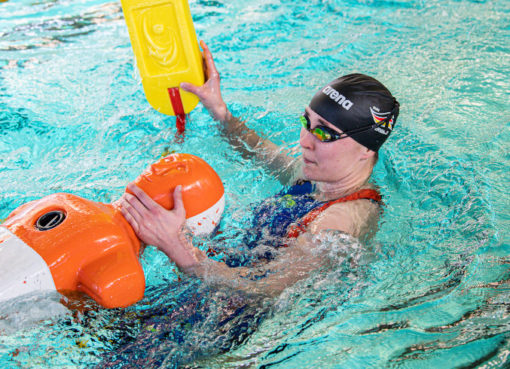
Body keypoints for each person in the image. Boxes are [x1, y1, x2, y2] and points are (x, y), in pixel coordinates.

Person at [119, 41, 400, 297]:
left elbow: (264, 289)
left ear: (366, 149)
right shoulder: (318, 176)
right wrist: (220, 111)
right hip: (209, 282)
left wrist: (177, 248)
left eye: (325, 134)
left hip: (233, 322)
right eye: (306, 121)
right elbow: (256, 149)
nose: (305, 141)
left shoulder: (337, 224)